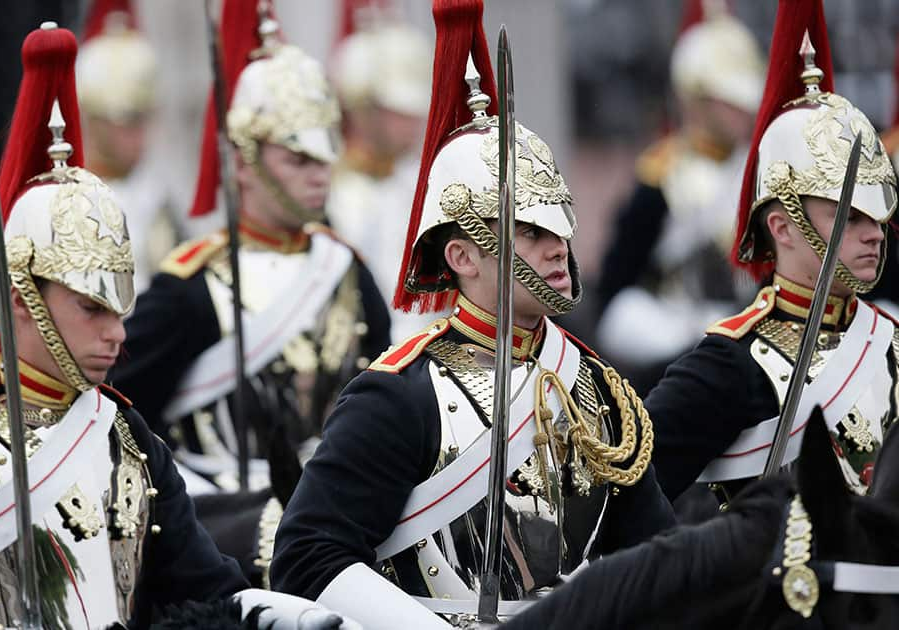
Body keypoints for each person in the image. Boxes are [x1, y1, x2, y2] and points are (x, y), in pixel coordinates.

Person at [0, 23, 353, 630]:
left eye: (119, 309)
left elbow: (207, 585)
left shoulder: (127, 438)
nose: (116, 334)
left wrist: (287, 617)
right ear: (18, 299)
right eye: (92, 308)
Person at [271, 1, 675, 626]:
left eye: (558, 227)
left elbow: (656, 558)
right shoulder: (398, 397)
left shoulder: (595, 385)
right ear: (461, 255)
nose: (556, 247)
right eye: (529, 230)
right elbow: (305, 557)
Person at [109, 0, 390, 581]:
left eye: (324, 155)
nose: (320, 172)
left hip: (340, 509)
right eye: (297, 158)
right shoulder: (192, 290)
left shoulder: (347, 271)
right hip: (227, 524)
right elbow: (119, 416)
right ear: (242, 161)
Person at [646, 0, 899, 508]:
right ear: (781, 226)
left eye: (876, 216)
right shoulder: (728, 366)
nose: (873, 234)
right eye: (848, 217)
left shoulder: (890, 342)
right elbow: (630, 503)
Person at [594, 0, 765, 396]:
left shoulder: (764, 170)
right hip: (676, 326)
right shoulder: (661, 175)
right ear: (698, 99)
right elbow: (617, 285)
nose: (744, 109)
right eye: (730, 99)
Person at [326, 0, 436, 342]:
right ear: (363, 110)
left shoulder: (427, 181)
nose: (414, 122)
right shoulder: (333, 196)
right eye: (397, 111)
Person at [75, 0, 180, 293]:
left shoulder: (158, 199)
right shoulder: (68, 202)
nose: (140, 136)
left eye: (143, 120)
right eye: (127, 122)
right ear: (94, 122)